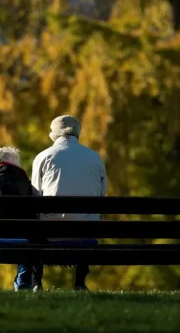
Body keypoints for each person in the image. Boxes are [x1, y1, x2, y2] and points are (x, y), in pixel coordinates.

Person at [32, 115, 107, 290]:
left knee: (34, 223)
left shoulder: (43, 157)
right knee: (90, 218)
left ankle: (36, 283)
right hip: (87, 232)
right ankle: (80, 283)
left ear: (54, 133)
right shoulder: (95, 158)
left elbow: (35, 196)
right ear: (77, 132)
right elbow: (101, 195)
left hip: (51, 231)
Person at [0, 146, 43, 291]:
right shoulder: (26, 184)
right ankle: (22, 284)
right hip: (20, 240)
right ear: (16, 164)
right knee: (29, 237)